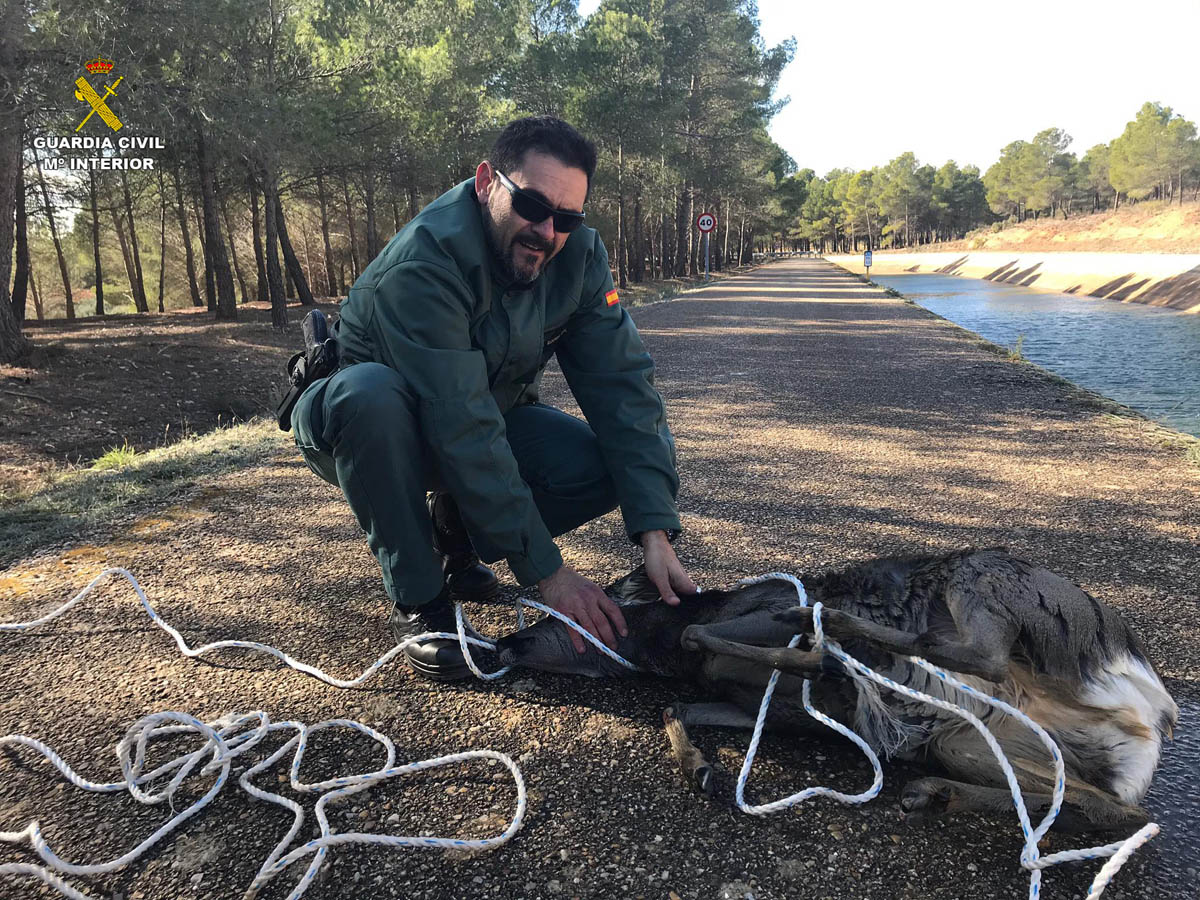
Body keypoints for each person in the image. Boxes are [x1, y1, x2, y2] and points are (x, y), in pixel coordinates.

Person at [291, 116, 695, 681]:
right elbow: (461, 422)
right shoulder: (425, 261)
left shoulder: (578, 255)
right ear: (486, 182)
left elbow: (623, 387)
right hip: (367, 429)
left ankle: (453, 531)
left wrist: (656, 531)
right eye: (532, 204)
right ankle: (424, 603)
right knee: (371, 394)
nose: (548, 231)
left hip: (480, 414)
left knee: (600, 466)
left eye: (568, 217)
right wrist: (547, 574)